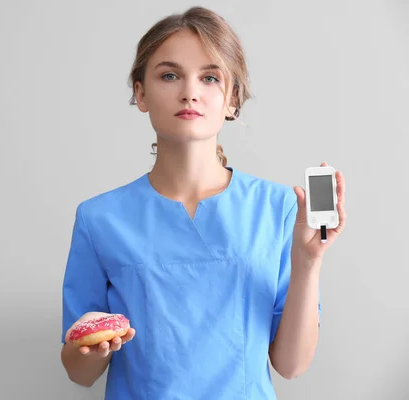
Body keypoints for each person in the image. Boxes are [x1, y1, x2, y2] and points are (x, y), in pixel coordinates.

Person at [60, 6, 346, 399]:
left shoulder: (280, 210)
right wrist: (93, 347)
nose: (189, 91)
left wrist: (309, 262)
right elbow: (79, 373)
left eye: (210, 77)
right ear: (140, 93)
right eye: (170, 75)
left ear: (232, 99)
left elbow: (291, 366)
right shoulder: (100, 219)